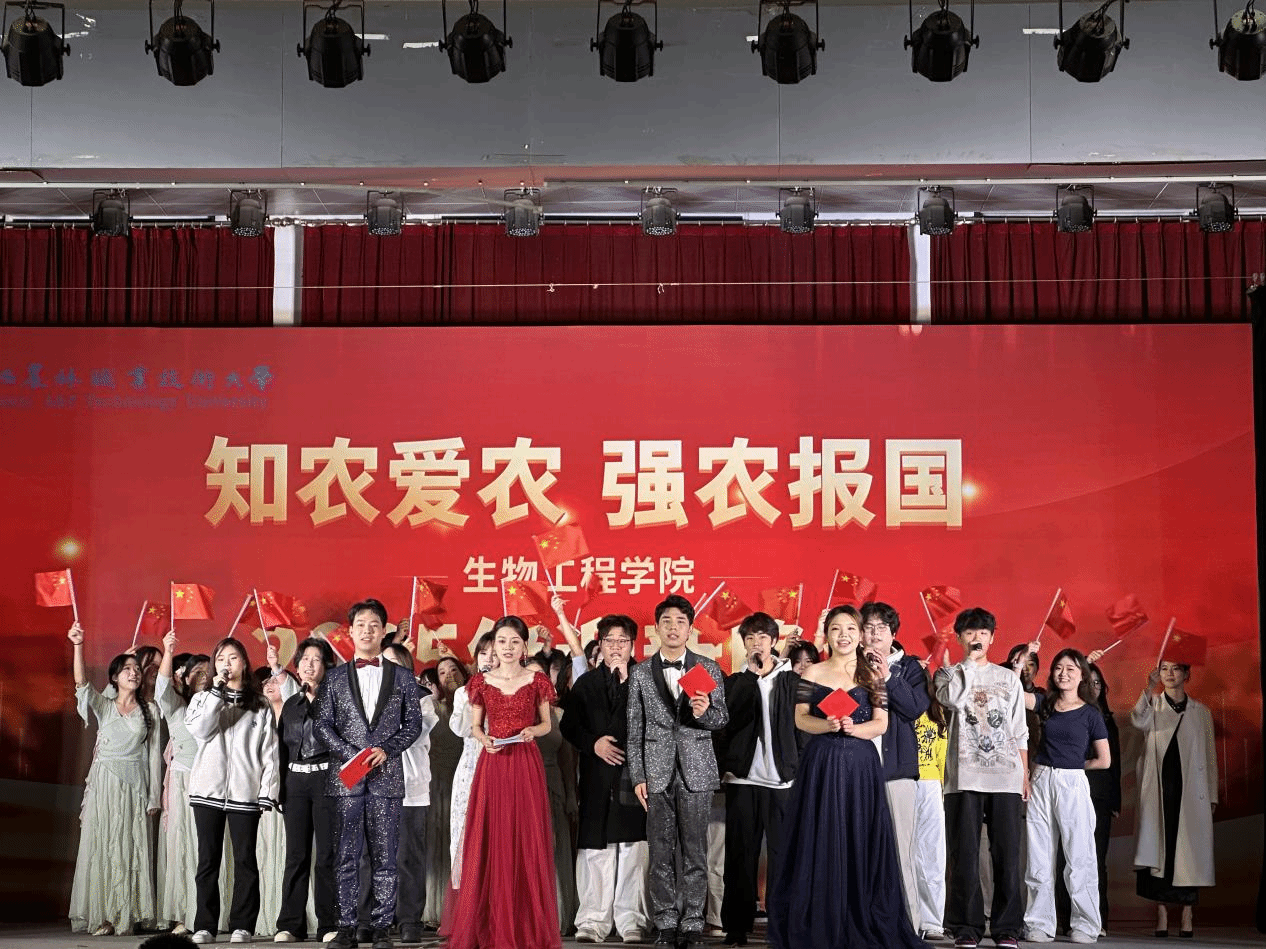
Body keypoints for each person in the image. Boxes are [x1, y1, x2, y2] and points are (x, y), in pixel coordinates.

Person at [767, 605, 928, 949]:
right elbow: (800, 719)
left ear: (859, 635)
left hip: (861, 766)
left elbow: (881, 723)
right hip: (821, 764)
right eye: (836, 629)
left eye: (850, 629)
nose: (843, 635)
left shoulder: (873, 674)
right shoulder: (812, 672)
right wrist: (826, 725)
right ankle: (820, 919)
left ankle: (862, 917)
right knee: (820, 837)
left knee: (859, 838)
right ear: (827, 634)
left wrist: (855, 729)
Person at [313, 598, 424, 949]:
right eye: (360, 624)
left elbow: (414, 724)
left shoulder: (403, 677)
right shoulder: (333, 678)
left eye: (374, 625)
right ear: (351, 631)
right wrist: (352, 755)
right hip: (346, 778)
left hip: (386, 776)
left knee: (385, 857)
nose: (367, 630)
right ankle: (345, 927)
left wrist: (386, 749)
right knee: (346, 855)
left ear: (383, 631)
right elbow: (322, 725)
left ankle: (381, 929)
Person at [447, 616, 562, 949]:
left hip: (525, 764)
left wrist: (533, 731)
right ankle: (489, 924)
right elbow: (475, 727)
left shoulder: (537, 680)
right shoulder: (480, 683)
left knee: (526, 837)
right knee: (491, 837)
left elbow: (546, 724)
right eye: (502, 641)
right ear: (493, 646)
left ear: (525, 646)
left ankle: (525, 927)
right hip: (493, 763)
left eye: (514, 641)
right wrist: (484, 739)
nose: (508, 647)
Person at [627, 594, 729, 949]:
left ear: (690, 629)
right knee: (660, 851)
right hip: (656, 773)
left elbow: (721, 719)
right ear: (656, 628)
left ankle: (693, 922)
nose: (673, 628)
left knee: (695, 851)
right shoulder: (640, 672)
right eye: (667, 621)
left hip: (697, 772)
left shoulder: (708, 668)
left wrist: (703, 712)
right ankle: (665, 922)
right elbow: (634, 729)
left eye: (680, 622)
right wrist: (638, 776)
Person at [934, 608, 1028, 949]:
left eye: (983, 633)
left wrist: (1024, 773)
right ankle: (966, 927)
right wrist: (969, 666)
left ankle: (1007, 928)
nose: (977, 638)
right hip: (963, 776)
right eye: (970, 633)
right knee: (964, 854)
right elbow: (952, 700)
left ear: (992, 637)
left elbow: (1019, 729)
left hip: (1005, 776)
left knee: (1007, 855)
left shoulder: (1008, 678)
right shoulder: (947, 674)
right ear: (960, 637)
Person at [67, 622, 162, 936]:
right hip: (105, 784)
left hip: (134, 786)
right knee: (104, 846)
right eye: (126, 669)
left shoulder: (150, 710)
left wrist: (153, 796)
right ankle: (105, 916)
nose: (134, 673)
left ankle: (128, 913)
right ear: (114, 678)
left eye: (137, 669)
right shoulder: (105, 707)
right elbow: (81, 684)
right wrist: (78, 645)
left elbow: (153, 757)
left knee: (129, 847)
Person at [561, 614, 651, 944]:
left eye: (622, 641)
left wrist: (628, 684)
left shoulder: (645, 680)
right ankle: (592, 920)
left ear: (632, 645)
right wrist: (593, 744)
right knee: (595, 849)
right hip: (596, 776)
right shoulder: (586, 684)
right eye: (609, 641)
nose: (616, 647)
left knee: (632, 850)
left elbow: (654, 724)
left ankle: (631, 920)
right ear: (599, 645)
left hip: (633, 777)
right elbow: (569, 726)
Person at [186, 637, 281, 945]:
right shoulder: (203, 698)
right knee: (207, 861)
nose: (227, 664)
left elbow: (270, 752)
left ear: (244, 663)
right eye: (221, 658)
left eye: (233, 658)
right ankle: (205, 925)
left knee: (245, 861)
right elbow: (201, 731)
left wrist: (266, 792)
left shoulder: (260, 705)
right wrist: (216, 693)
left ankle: (243, 925)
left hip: (245, 793)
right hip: (207, 791)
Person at [716, 612, 802, 948]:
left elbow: (802, 727)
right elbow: (727, 718)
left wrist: (796, 767)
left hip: (781, 782)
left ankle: (782, 926)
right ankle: (736, 928)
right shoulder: (736, 681)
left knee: (782, 856)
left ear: (774, 641)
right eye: (750, 638)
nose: (757, 643)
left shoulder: (791, 680)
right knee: (740, 857)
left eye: (763, 637)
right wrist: (752, 675)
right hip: (743, 780)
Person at [1023, 649, 1110, 944]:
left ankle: (1086, 924)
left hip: (1072, 782)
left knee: (1079, 855)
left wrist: (1073, 766)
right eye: (1058, 668)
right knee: (1039, 854)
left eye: (1071, 669)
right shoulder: (1045, 703)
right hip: (1041, 780)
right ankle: (1039, 922)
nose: (1063, 674)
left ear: (1082, 675)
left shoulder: (1091, 713)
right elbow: (1014, 694)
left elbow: (1104, 760)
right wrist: (1021, 662)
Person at [1131, 659, 1217, 938]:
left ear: (1186, 674)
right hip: (1160, 788)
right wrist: (1148, 687)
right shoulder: (1153, 705)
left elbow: (1210, 756)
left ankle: (1187, 911)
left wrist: (1212, 795)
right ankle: (1162, 912)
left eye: (1176, 669)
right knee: (1161, 848)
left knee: (1189, 851)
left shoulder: (1200, 712)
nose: (1169, 674)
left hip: (1190, 790)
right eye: (1164, 668)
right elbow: (1137, 720)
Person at [861, 601, 930, 924]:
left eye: (881, 628)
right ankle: (863, 926)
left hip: (897, 773)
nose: (874, 635)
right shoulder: (848, 665)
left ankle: (909, 926)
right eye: (868, 628)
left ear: (893, 634)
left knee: (901, 852)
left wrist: (887, 675)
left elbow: (914, 707)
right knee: (859, 853)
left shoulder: (910, 668)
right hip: (858, 773)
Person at [155, 642, 223, 936]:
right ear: (184, 677)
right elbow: (160, 688)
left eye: (208, 671)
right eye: (197, 671)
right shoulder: (176, 707)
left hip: (213, 781)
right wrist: (168, 650)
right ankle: (184, 914)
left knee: (208, 849)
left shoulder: (218, 703)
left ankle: (214, 915)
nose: (203, 676)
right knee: (184, 847)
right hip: (183, 781)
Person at [274, 637, 338, 944]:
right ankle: (290, 925)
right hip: (295, 782)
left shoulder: (336, 700)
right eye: (304, 659)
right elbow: (281, 749)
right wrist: (279, 788)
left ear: (326, 666)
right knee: (296, 855)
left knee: (326, 855)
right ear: (297, 667)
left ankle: (329, 924)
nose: (310, 664)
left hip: (327, 780)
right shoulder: (290, 705)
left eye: (317, 659)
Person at [382, 642, 440, 945]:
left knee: (408, 857)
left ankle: (409, 921)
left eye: (393, 662)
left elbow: (413, 733)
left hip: (410, 788)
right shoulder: (367, 697)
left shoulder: (422, 698)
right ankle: (374, 920)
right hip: (375, 788)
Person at [531, 649, 580, 934]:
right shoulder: (512, 713)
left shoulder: (559, 714)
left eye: (541, 675)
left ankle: (556, 916)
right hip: (523, 787)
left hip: (553, 786)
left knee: (555, 847)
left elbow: (567, 760)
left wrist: (571, 795)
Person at [422, 651, 469, 929]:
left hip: (463, 781)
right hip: (435, 783)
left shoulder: (472, 704)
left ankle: (458, 911)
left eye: (454, 670)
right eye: (442, 672)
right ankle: (433, 910)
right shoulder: (432, 708)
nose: (449, 675)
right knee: (434, 846)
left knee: (460, 847)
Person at [912, 660, 949, 942]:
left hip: (931, 785)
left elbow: (942, 755)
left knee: (932, 854)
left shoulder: (937, 712)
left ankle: (933, 920)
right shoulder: (898, 711)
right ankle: (909, 917)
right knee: (906, 853)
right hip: (903, 782)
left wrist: (942, 788)